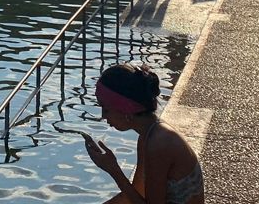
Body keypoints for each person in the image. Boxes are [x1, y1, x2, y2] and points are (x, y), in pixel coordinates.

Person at [82, 63, 204, 204]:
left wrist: (114, 170)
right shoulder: (149, 136)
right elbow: (137, 192)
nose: (103, 115)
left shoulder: (159, 143)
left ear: (126, 109)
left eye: (106, 108)